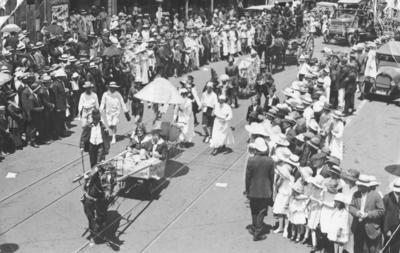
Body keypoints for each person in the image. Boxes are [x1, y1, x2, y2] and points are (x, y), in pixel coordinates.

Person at [245, 137, 275, 241]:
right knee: (262, 211)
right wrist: (271, 192)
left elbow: (247, 178)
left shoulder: (251, 160)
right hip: (265, 190)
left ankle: (254, 227)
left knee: (254, 210)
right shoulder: (270, 161)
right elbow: (272, 178)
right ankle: (258, 232)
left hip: (253, 190)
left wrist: (247, 190)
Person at [349, 174, 385, 253]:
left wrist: (368, 214)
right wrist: (356, 212)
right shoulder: (356, 194)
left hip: (371, 228)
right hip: (358, 227)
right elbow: (351, 207)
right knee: (358, 248)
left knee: (370, 249)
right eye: (358, 185)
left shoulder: (376, 195)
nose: (358, 187)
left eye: (360, 186)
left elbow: (381, 210)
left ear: (366, 186)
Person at [81, 166, 107, 246]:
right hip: (90, 198)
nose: (100, 173)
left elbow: (106, 186)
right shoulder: (94, 175)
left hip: (99, 196)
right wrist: (86, 178)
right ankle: (92, 235)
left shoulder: (104, 177)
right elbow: (89, 180)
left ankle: (102, 216)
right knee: (85, 188)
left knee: (103, 205)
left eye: (101, 172)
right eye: (99, 172)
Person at [382, 178, 400, 253]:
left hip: (398, 227)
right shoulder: (387, 198)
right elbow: (383, 216)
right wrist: (386, 230)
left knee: (396, 247)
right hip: (389, 228)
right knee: (387, 247)